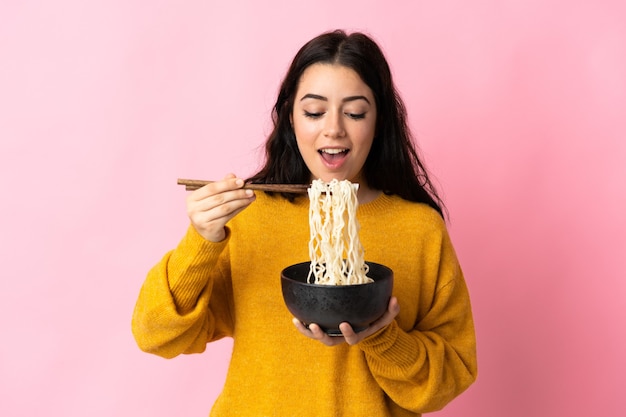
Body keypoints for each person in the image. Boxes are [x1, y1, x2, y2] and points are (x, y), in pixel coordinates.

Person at [132, 29, 477, 416]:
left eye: (355, 112)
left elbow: (450, 376)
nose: (333, 129)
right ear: (290, 120)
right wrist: (201, 241)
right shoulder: (251, 215)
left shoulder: (419, 229)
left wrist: (383, 337)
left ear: (379, 121)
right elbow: (156, 335)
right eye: (314, 112)